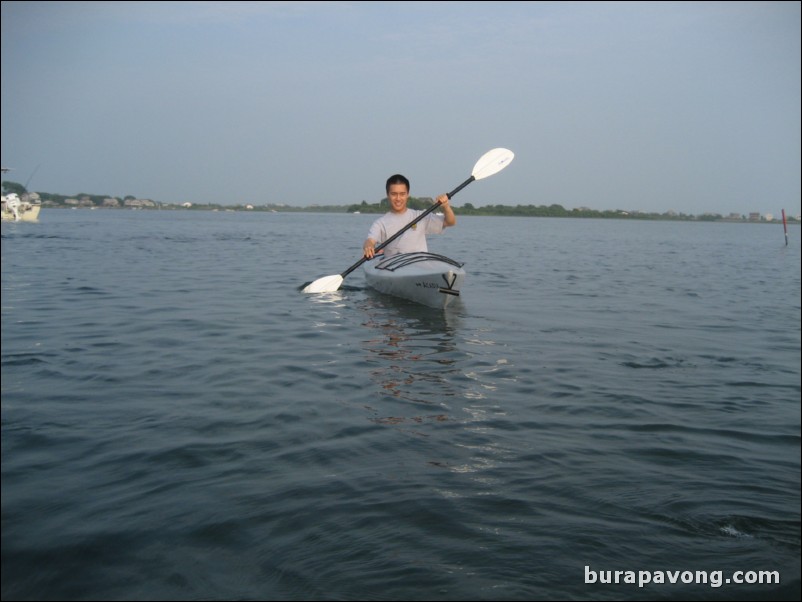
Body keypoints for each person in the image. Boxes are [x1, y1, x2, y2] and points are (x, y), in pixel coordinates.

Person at [362, 174, 455, 259]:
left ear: (407, 195)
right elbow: (370, 240)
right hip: (393, 267)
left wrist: (446, 207)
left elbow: (450, 222)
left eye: (402, 194)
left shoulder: (420, 216)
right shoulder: (380, 223)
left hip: (420, 264)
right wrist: (368, 246)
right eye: (394, 194)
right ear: (388, 195)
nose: (398, 198)